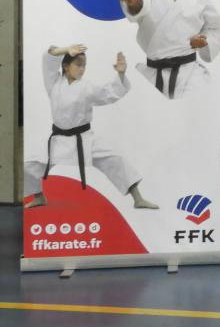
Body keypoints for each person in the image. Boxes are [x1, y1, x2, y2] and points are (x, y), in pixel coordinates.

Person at [22, 45, 158, 210]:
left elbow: (108, 93)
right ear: (65, 66)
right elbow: (48, 57)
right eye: (78, 64)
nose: (82, 69)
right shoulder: (53, 82)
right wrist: (65, 50)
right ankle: (39, 197)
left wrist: (121, 74)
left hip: (85, 138)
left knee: (115, 159)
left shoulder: (87, 87)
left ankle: (138, 198)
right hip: (58, 139)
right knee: (30, 163)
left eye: (84, 65)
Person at [118, 0, 220, 99]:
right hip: (152, 74)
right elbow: (140, 3)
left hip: (190, 74)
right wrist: (133, 1)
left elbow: (216, 28)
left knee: (193, 117)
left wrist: (204, 42)